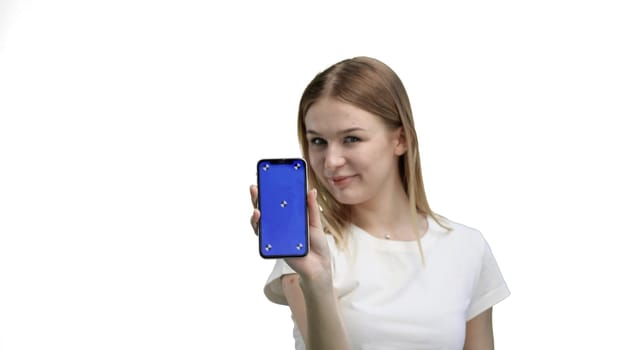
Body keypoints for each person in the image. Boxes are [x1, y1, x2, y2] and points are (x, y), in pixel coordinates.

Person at [249, 56, 510, 350]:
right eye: (318, 141)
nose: (331, 161)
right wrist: (318, 280)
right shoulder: (309, 250)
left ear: (400, 140)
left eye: (351, 139)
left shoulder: (466, 247)